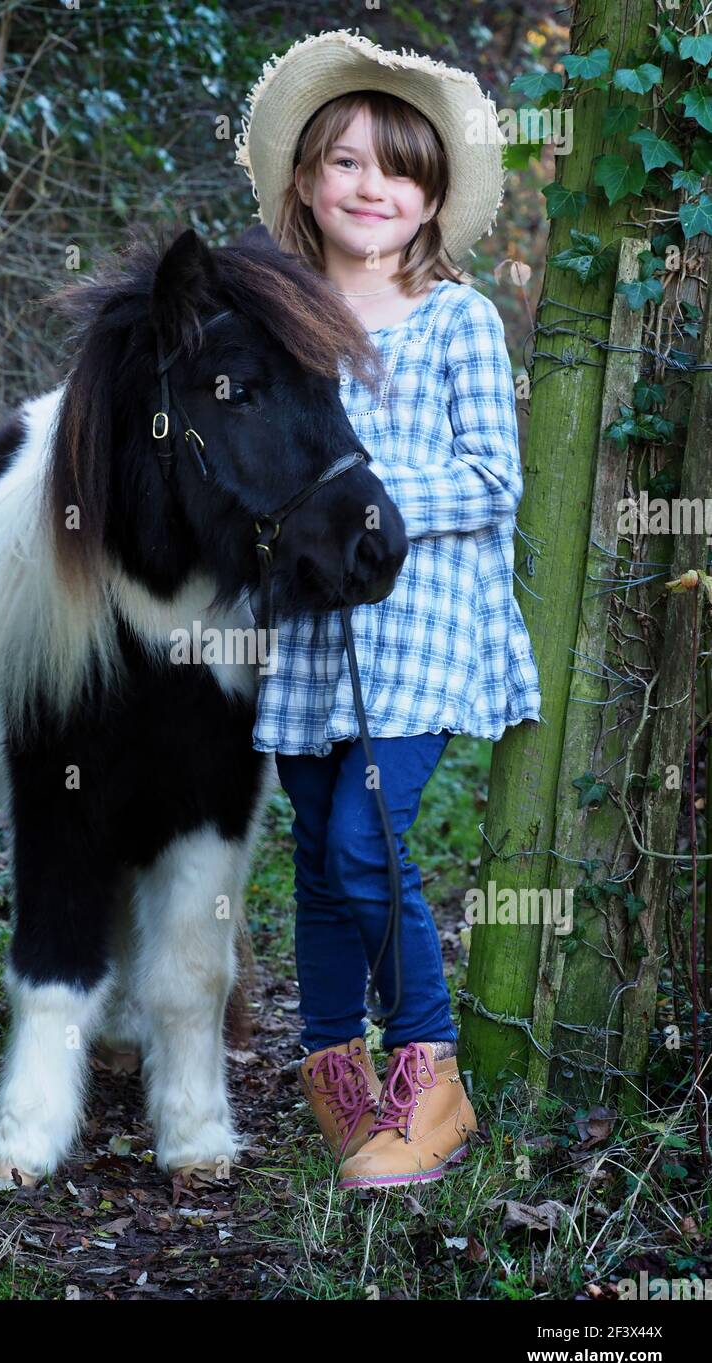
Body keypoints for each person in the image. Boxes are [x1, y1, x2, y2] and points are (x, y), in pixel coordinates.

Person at [234, 28, 542, 1188]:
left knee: (369, 843)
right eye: (348, 163)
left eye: (400, 170)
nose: (373, 187)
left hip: (417, 631)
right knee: (317, 855)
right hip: (311, 636)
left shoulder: (457, 319)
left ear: (432, 199)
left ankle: (436, 1080)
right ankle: (340, 1085)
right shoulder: (277, 321)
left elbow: (489, 481)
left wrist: (354, 500)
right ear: (307, 182)